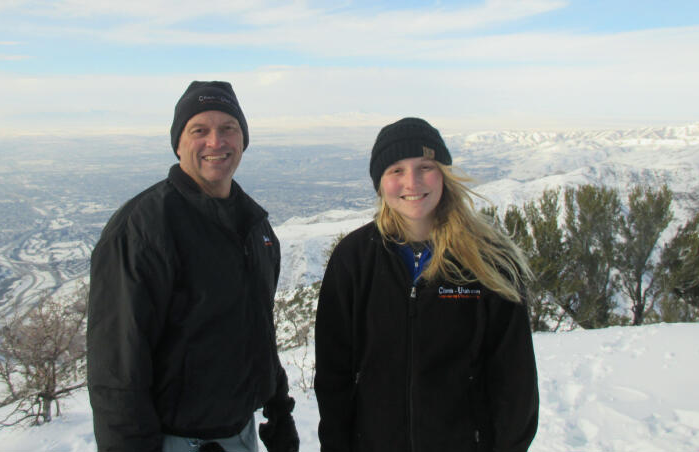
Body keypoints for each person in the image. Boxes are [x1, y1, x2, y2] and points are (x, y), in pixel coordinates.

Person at [87, 81, 299, 452]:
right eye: (199, 130)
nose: (216, 142)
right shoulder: (144, 229)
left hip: (241, 434)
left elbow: (258, 329)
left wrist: (279, 410)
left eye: (228, 129)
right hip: (175, 441)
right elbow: (117, 372)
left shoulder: (255, 227)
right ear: (179, 143)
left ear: (243, 140)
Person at [314, 117, 539, 452]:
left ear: (444, 174)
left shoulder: (489, 260)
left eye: (425, 167)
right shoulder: (354, 259)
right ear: (380, 182)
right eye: (396, 170)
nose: (412, 182)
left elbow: (515, 381)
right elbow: (334, 376)